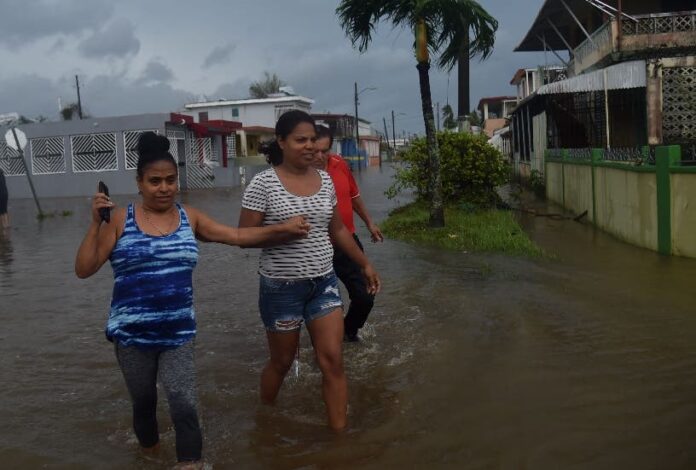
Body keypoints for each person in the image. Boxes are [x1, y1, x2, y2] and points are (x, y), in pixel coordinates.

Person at [75, 132, 309, 468]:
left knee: (184, 403)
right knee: (143, 403)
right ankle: (150, 456)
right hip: (131, 336)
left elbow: (238, 235)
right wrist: (94, 224)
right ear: (139, 183)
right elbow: (84, 269)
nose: (164, 187)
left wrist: (282, 229)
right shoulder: (118, 220)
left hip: (179, 335)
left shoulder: (190, 217)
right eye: (154, 181)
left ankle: (191, 463)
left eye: (171, 180)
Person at [239, 110, 381, 431]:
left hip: (323, 284)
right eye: (300, 140)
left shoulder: (326, 179)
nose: (308, 146)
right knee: (283, 362)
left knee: (332, 361)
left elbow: (339, 231)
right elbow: (243, 237)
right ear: (281, 142)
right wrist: (282, 230)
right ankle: (266, 418)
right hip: (281, 288)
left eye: (312, 140)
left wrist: (365, 264)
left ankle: (339, 441)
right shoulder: (263, 184)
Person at [312, 125, 383, 342]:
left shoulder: (339, 164)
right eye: (315, 151)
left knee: (365, 296)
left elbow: (354, 197)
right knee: (323, 305)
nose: (320, 156)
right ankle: (326, 346)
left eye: (325, 150)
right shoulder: (299, 174)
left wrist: (369, 223)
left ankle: (347, 334)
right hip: (315, 249)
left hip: (346, 243)